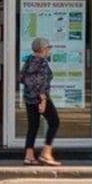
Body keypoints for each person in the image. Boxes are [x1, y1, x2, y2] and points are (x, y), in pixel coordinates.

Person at [17, 36, 60, 166]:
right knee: (54, 122)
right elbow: (42, 82)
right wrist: (43, 99)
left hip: (29, 98)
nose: (49, 50)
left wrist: (31, 91)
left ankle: (29, 156)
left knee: (33, 126)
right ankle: (46, 153)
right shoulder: (42, 62)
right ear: (43, 49)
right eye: (48, 47)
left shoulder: (29, 61)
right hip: (40, 98)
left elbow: (22, 78)